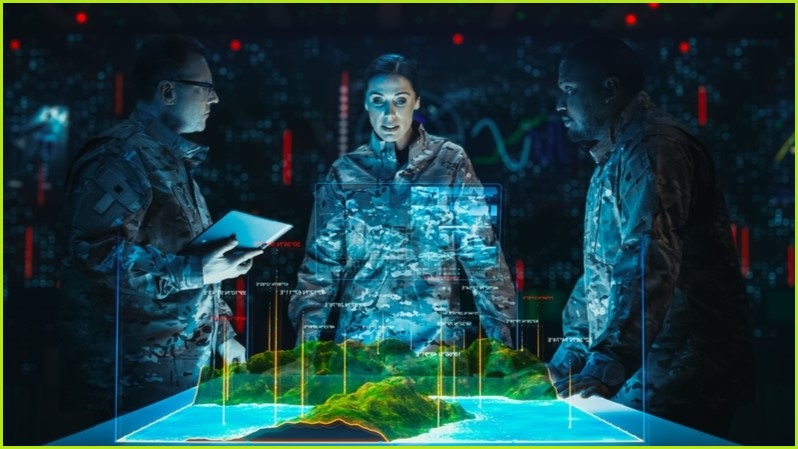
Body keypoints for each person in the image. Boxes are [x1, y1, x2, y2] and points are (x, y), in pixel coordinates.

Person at [547, 36, 753, 438]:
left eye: (570, 91)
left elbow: (648, 259)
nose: (560, 105)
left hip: (680, 379)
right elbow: (601, 275)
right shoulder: (617, 153)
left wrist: (605, 364)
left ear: (609, 89)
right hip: (650, 374)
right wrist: (571, 355)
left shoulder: (655, 148)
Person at [60, 34, 262, 424]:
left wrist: (223, 334)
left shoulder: (171, 162)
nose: (214, 99)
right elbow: (93, 256)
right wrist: (196, 270)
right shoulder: (119, 156)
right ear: (168, 91)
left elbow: (192, 258)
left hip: (173, 379)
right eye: (206, 88)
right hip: (127, 386)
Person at [288, 54, 515, 352]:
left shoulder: (450, 162)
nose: (389, 114)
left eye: (401, 100)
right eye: (378, 100)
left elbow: (482, 256)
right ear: (366, 103)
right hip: (360, 350)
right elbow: (320, 267)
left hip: (436, 348)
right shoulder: (345, 173)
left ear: (417, 102)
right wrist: (304, 351)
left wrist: (504, 349)